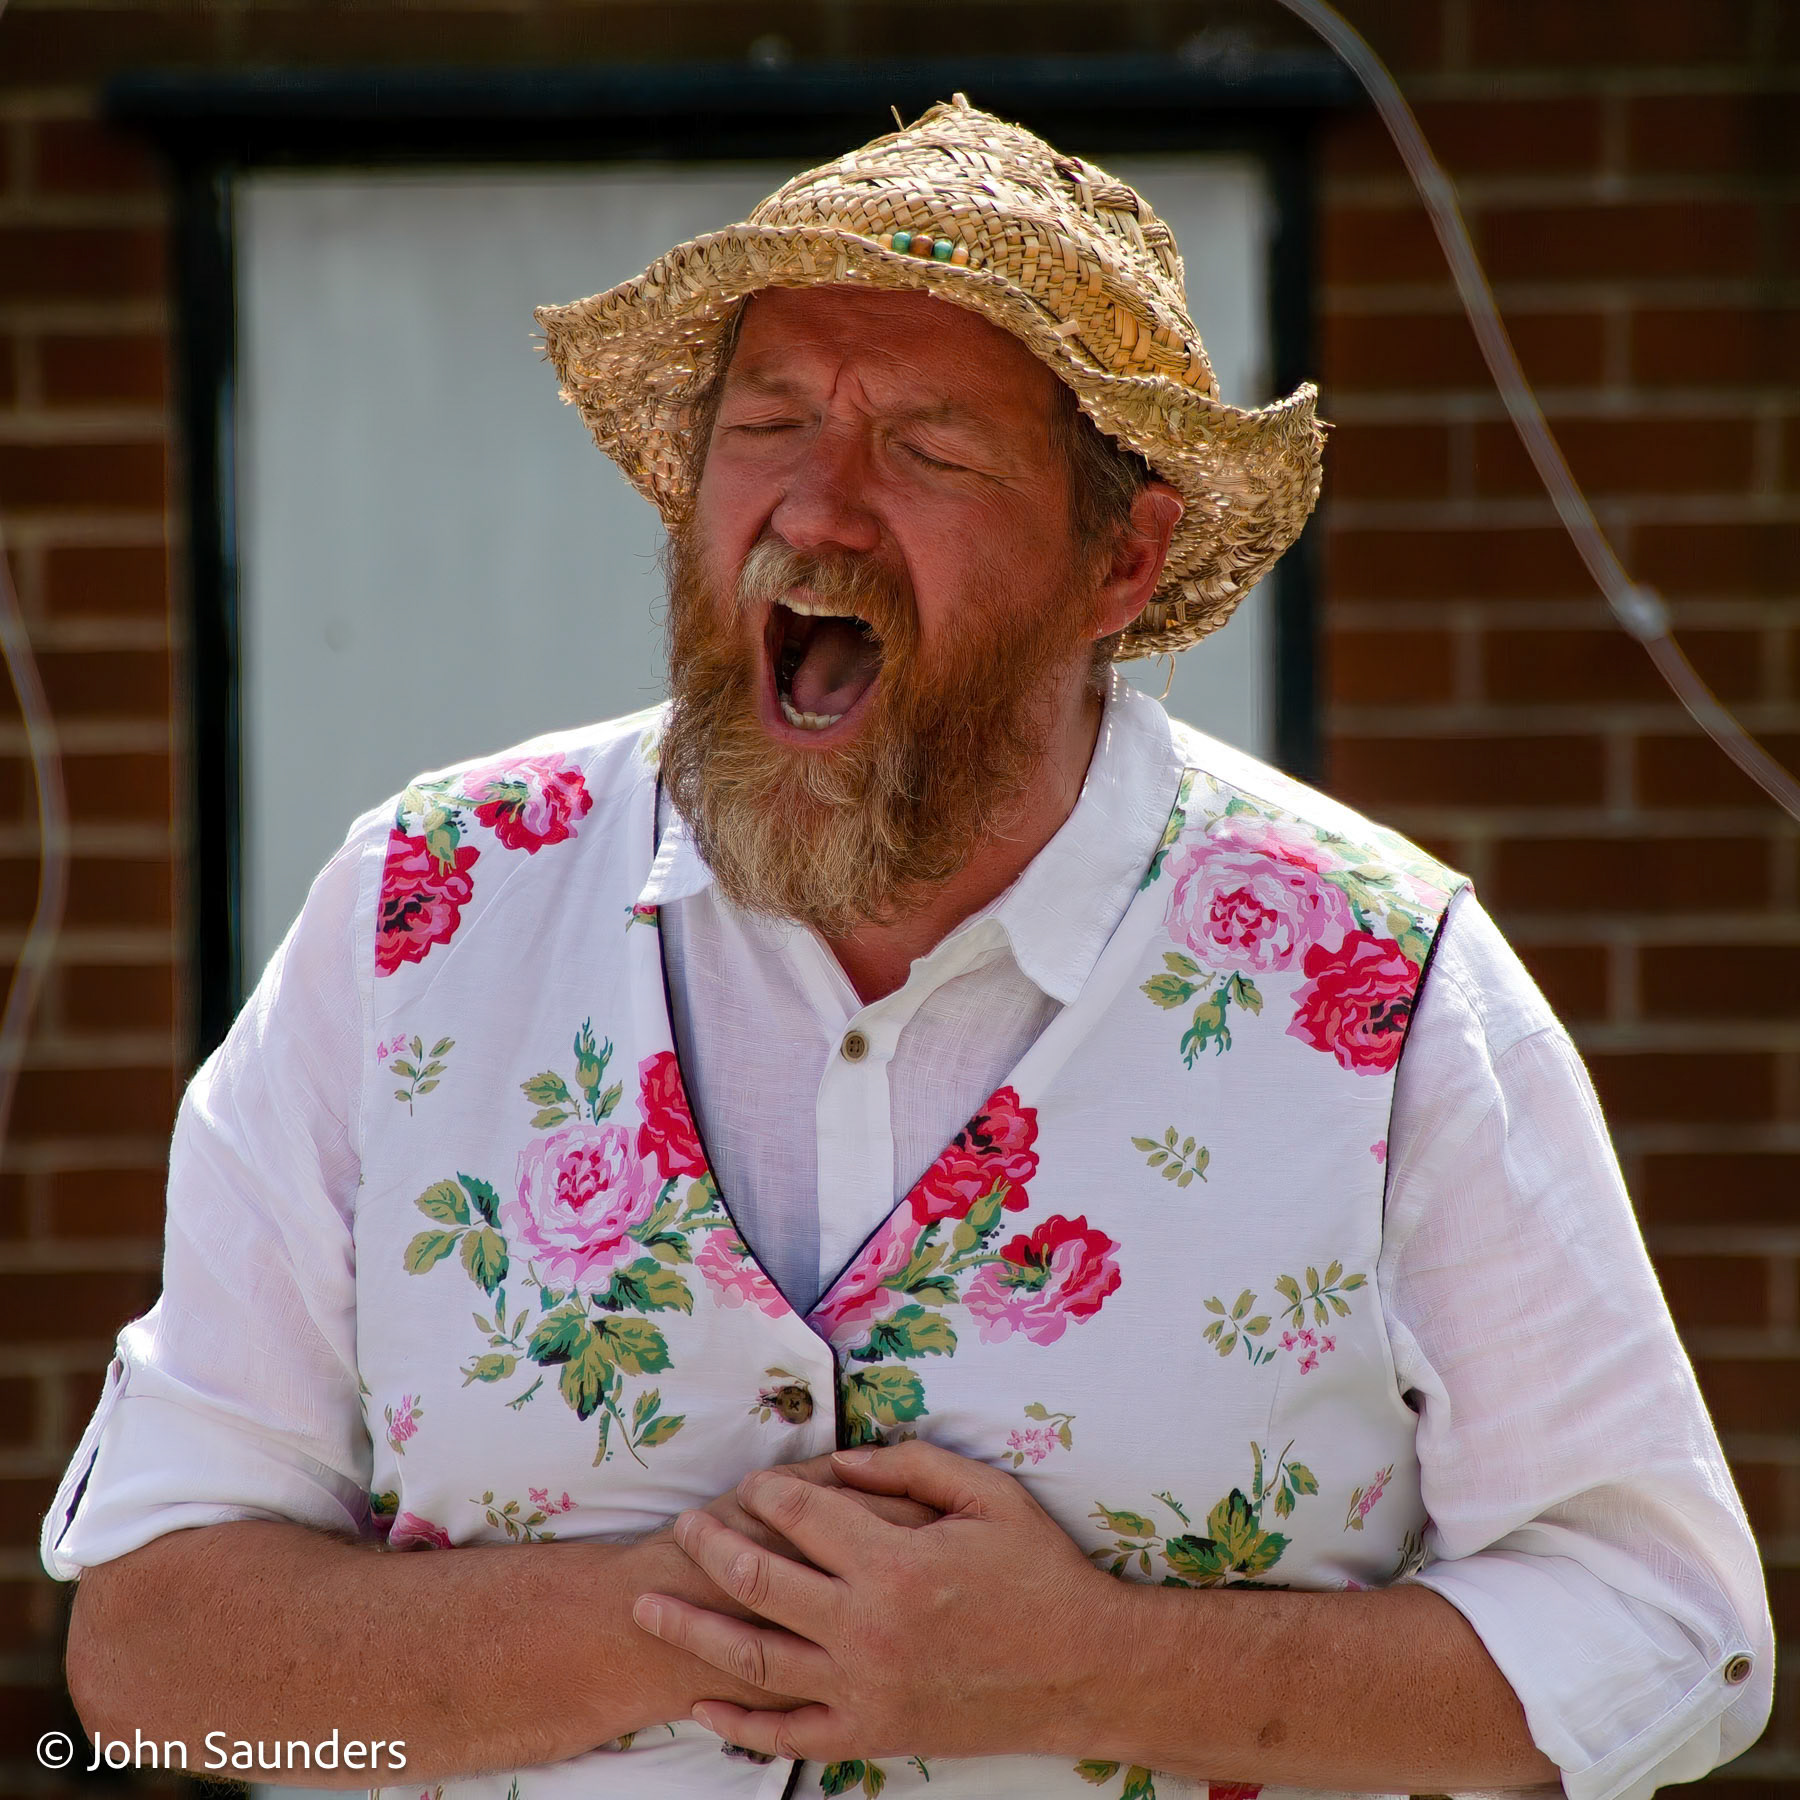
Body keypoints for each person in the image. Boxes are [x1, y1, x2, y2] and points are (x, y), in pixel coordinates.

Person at [46, 98, 1769, 1800]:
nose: (819, 508)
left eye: (930, 447)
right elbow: (152, 1666)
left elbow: (1668, 1631)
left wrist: (1093, 1665)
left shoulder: (1376, 983)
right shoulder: (423, 906)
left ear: (1123, 560)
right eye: (769, 422)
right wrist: (696, 1622)